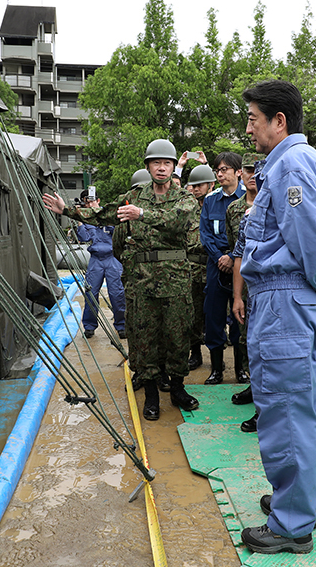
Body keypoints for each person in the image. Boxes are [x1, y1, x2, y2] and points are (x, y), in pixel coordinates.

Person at [238, 80, 316, 555]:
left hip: (285, 301)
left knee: (286, 411)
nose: (248, 128)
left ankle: (292, 524)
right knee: (294, 408)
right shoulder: (289, 165)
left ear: (278, 121)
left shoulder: (291, 165)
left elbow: (315, 242)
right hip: (283, 299)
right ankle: (296, 501)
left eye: (253, 118)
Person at [43, 139, 199, 421]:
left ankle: (177, 388)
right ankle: (151, 395)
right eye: (156, 163)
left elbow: (178, 220)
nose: (161, 168)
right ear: (148, 166)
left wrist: (143, 214)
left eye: (167, 163)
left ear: (174, 167)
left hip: (175, 279)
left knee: (177, 336)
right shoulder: (135, 194)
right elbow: (105, 213)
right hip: (142, 281)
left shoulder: (184, 198)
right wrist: (67, 210)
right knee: (143, 337)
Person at [200, 152, 246, 384]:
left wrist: (232, 256)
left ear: (238, 172)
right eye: (217, 170)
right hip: (216, 266)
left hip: (241, 267)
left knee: (241, 316)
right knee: (214, 317)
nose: (220, 174)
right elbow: (205, 234)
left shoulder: (250, 197)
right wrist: (220, 257)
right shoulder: (210, 200)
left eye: (225, 169)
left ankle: (241, 369)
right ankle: (217, 369)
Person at [228, 155, 262, 431]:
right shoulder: (247, 215)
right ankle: (261, 403)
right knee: (254, 346)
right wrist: (238, 297)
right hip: (254, 294)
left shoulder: (291, 208)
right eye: (251, 172)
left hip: (283, 293)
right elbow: (239, 255)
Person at [75, 189, 127, 340]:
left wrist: (101, 216)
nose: (90, 204)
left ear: (98, 201)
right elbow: (84, 237)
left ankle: (121, 325)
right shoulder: (85, 218)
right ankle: (89, 327)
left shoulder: (108, 215)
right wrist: (80, 219)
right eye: (86, 201)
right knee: (91, 294)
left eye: (92, 201)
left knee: (117, 293)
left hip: (112, 258)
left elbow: (118, 231)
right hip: (96, 259)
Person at [183, 160, 216, 370]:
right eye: (193, 186)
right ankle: (195, 353)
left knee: (215, 314)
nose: (195, 189)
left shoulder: (219, 204)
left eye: (199, 185)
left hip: (214, 265)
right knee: (192, 314)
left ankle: (217, 357)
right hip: (192, 267)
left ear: (210, 185)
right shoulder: (186, 207)